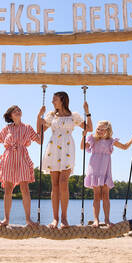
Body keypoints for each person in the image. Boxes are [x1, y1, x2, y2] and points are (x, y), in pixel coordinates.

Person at [37, 91, 93, 228]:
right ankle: (55, 218)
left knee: (63, 182)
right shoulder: (51, 116)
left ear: (62, 100)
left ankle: (64, 218)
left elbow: (89, 128)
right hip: (53, 148)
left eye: (54, 99)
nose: (52, 102)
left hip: (68, 149)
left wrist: (87, 112)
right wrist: (39, 115)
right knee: (54, 184)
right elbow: (39, 131)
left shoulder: (73, 116)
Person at [0, 105, 40, 227]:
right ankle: (6, 219)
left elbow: (39, 140)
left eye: (19, 110)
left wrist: (39, 120)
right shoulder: (7, 129)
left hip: (22, 158)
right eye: (15, 111)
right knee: (8, 189)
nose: (18, 111)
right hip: (9, 159)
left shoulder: (27, 128)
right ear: (10, 115)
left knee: (25, 188)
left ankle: (28, 220)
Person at [81, 120, 132, 227]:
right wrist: (83, 136)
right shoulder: (93, 139)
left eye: (102, 129)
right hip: (94, 168)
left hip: (106, 169)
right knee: (97, 195)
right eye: (98, 129)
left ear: (107, 130)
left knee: (106, 195)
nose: (100, 131)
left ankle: (107, 220)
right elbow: (82, 147)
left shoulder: (111, 141)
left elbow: (124, 147)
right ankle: (96, 220)